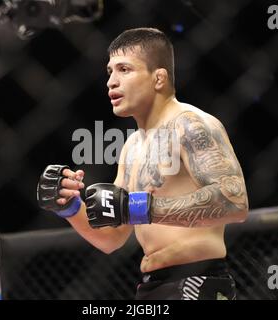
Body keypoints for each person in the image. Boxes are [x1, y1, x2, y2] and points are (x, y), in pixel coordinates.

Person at [37, 28, 249, 300]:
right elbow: (111, 237)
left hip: (198, 281)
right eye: (110, 71)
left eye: (124, 69)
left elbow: (235, 202)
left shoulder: (191, 125)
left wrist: (139, 208)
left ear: (158, 78)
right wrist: (69, 206)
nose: (111, 82)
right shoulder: (131, 147)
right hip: (151, 286)